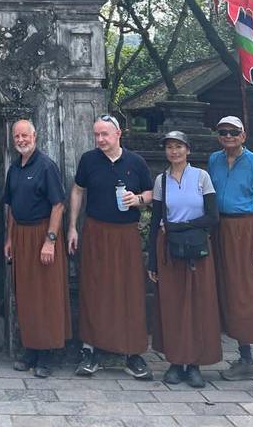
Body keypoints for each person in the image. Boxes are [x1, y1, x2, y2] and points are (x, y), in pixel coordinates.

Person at [67, 114, 153, 380]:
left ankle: (133, 353)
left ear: (119, 134)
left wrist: (137, 199)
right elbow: (78, 190)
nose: (100, 140)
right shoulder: (89, 160)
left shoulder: (136, 162)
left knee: (131, 290)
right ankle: (89, 350)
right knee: (94, 288)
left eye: (105, 134)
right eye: (96, 135)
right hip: (95, 230)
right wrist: (72, 226)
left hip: (126, 233)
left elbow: (151, 193)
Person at [208, 115, 253, 402]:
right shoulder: (214, 160)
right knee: (233, 294)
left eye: (233, 132)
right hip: (223, 230)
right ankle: (245, 359)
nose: (228, 136)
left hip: (250, 229)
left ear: (243, 135)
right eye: (223, 132)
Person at [147, 131, 221, 387]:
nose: (174, 152)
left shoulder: (202, 177)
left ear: (187, 149)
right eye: (169, 147)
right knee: (173, 306)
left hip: (198, 249)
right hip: (169, 251)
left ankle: (195, 364)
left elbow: (213, 216)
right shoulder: (161, 181)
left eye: (178, 146)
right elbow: (157, 220)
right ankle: (176, 362)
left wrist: (181, 225)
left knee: (199, 306)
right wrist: (152, 261)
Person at [3, 119, 70, 378]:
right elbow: (10, 206)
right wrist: (9, 239)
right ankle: (30, 349)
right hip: (20, 234)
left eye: (25, 135)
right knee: (27, 295)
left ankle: (47, 354)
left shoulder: (46, 166)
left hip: (43, 233)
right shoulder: (15, 168)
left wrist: (50, 240)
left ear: (35, 136)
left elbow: (58, 205)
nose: (21, 140)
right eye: (17, 136)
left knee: (46, 295)